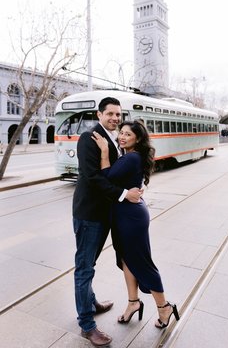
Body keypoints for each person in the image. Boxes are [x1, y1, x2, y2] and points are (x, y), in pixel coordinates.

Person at [92, 120, 179, 329]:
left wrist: (104, 151)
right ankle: (133, 303)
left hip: (130, 217)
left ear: (137, 139)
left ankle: (164, 306)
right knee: (126, 259)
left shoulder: (131, 157)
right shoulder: (130, 156)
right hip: (125, 214)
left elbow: (107, 177)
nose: (122, 137)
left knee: (141, 261)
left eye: (127, 135)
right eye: (121, 133)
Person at [72, 97, 142, 347]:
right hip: (90, 213)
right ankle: (87, 325)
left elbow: (116, 171)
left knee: (90, 262)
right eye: (110, 113)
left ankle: (91, 302)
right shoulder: (89, 138)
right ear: (99, 114)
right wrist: (124, 194)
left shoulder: (114, 138)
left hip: (105, 213)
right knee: (84, 267)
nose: (114, 118)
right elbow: (92, 178)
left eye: (117, 114)